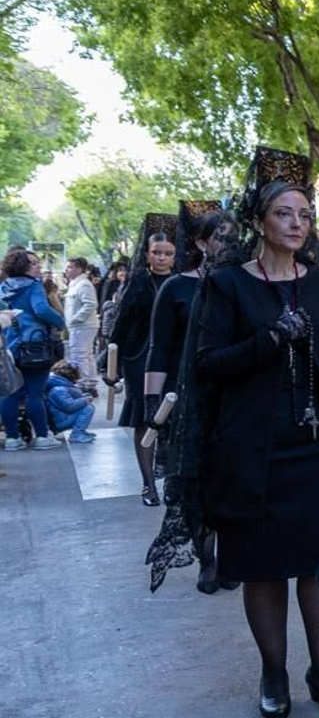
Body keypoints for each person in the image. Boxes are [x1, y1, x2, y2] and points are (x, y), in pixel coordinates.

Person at [182, 149, 319, 718]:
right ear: (260, 221)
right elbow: (207, 364)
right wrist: (270, 340)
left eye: (305, 213)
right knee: (262, 568)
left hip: (314, 449)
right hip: (251, 452)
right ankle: (274, 671)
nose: (298, 223)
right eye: (285, 213)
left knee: (316, 565)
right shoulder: (229, 286)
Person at [146, 201, 233, 593]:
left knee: (231, 477)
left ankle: (232, 556)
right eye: (220, 237)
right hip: (187, 399)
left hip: (233, 394)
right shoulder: (177, 287)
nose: (229, 243)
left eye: (235, 236)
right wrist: (154, 405)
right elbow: (160, 348)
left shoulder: (241, 282)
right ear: (201, 242)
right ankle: (207, 559)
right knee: (195, 480)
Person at [110, 214, 179, 503]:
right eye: (156, 253)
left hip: (174, 357)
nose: (162, 258)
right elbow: (121, 325)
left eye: (168, 253)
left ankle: (173, 481)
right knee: (145, 419)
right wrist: (110, 367)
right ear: (147, 254)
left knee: (175, 417)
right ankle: (148, 484)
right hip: (140, 357)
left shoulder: (183, 282)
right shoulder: (138, 283)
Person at [2, 247, 68, 451]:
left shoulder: (4, 287)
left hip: (9, 345)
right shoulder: (33, 286)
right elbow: (41, 309)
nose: (38, 265)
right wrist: (59, 320)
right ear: (23, 266)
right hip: (34, 345)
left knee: (10, 392)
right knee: (34, 393)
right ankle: (41, 436)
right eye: (34, 262)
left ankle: (12, 438)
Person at [62, 257, 98, 374]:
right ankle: (88, 382)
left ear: (79, 269)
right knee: (84, 355)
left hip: (83, 326)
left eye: (70, 267)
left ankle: (85, 383)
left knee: (80, 356)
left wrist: (75, 320)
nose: (66, 270)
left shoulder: (83, 284)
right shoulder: (75, 284)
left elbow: (90, 304)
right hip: (79, 326)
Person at [44, 360, 96, 443]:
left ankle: (80, 432)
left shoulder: (56, 385)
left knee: (86, 407)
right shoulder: (59, 389)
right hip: (60, 421)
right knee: (88, 408)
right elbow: (69, 406)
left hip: (58, 419)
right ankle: (77, 434)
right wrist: (85, 400)